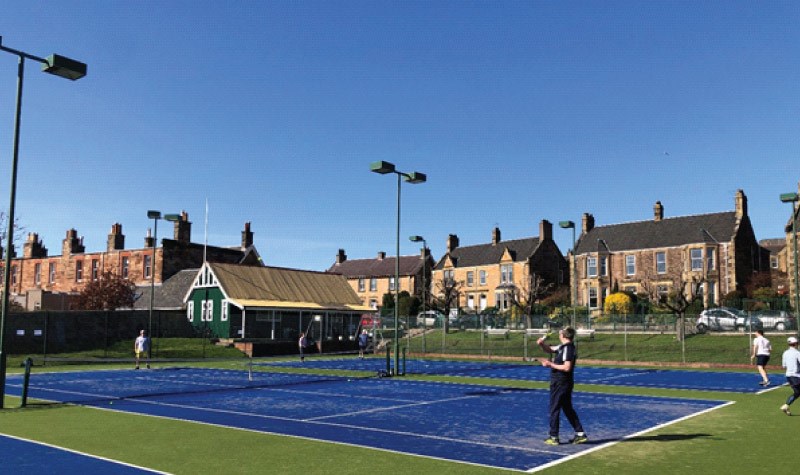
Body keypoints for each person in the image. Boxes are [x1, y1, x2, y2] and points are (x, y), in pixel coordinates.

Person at [537, 327, 587, 445]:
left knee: (554, 408)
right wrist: (541, 344)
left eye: (561, 332)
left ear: (564, 336)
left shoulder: (568, 349)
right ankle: (580, 434)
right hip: (562, 382)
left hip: (561, 382)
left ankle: (554, 436)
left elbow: (567, 367)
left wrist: (550, 364)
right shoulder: (563, 347)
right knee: (567, 408)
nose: (559, 333)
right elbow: (549, 350)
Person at [780, 336, 800, 416]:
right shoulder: (797, 353)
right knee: (797, 392)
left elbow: (784, 366)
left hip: (789, 376)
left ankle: (786, 406)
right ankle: (786, 405)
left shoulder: (785, 353)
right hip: (797, 376)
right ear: (796, 344)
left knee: (797, 392)